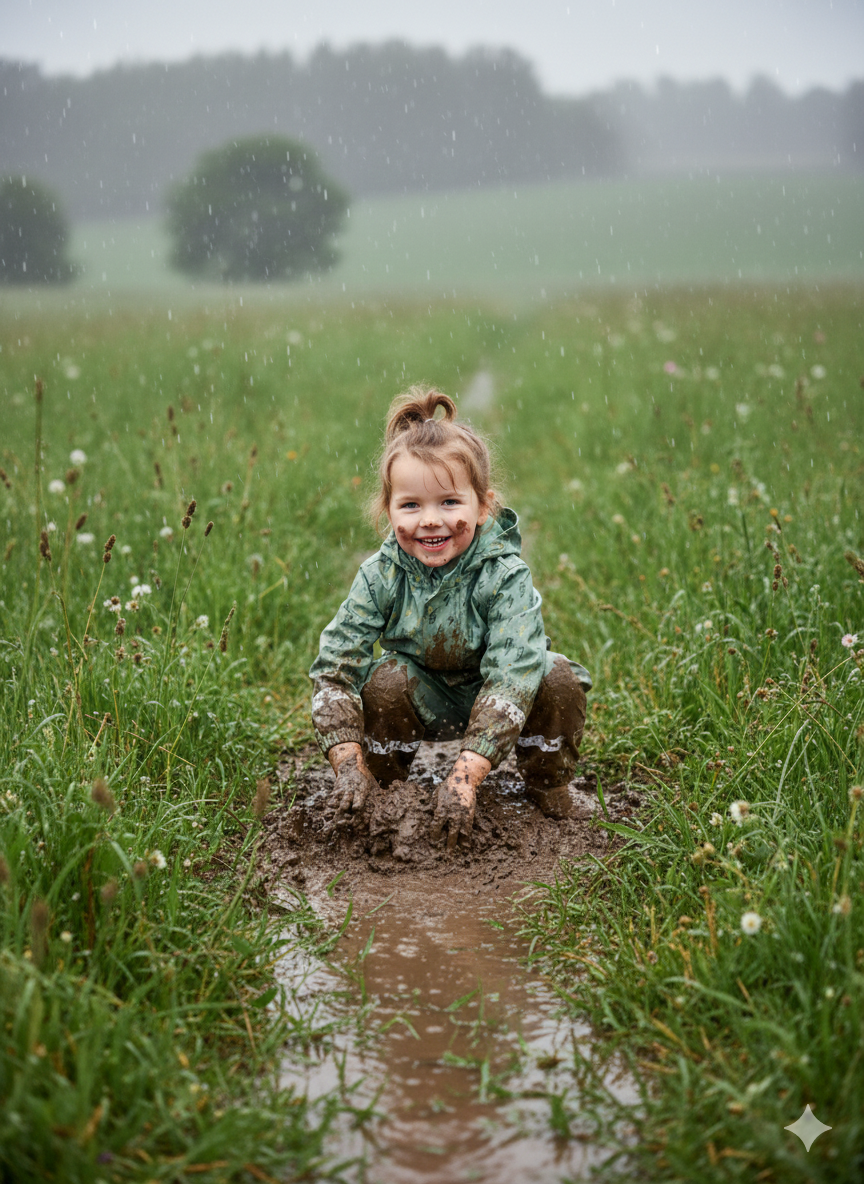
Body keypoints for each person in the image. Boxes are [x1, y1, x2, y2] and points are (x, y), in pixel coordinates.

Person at [309, 386, 591, 849]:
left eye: (449, 503)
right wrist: (347, 765)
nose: (431, 521)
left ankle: (548, 785)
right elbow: (335, 668)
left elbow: (513, 674)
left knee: (556, 676)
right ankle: (380, 789)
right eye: (411, 505)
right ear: (388, 511)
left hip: (499, 698)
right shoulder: (380, 575)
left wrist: (465, 776)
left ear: (483, 507)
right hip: (425, 695)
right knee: (384, 679)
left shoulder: (505, 575)